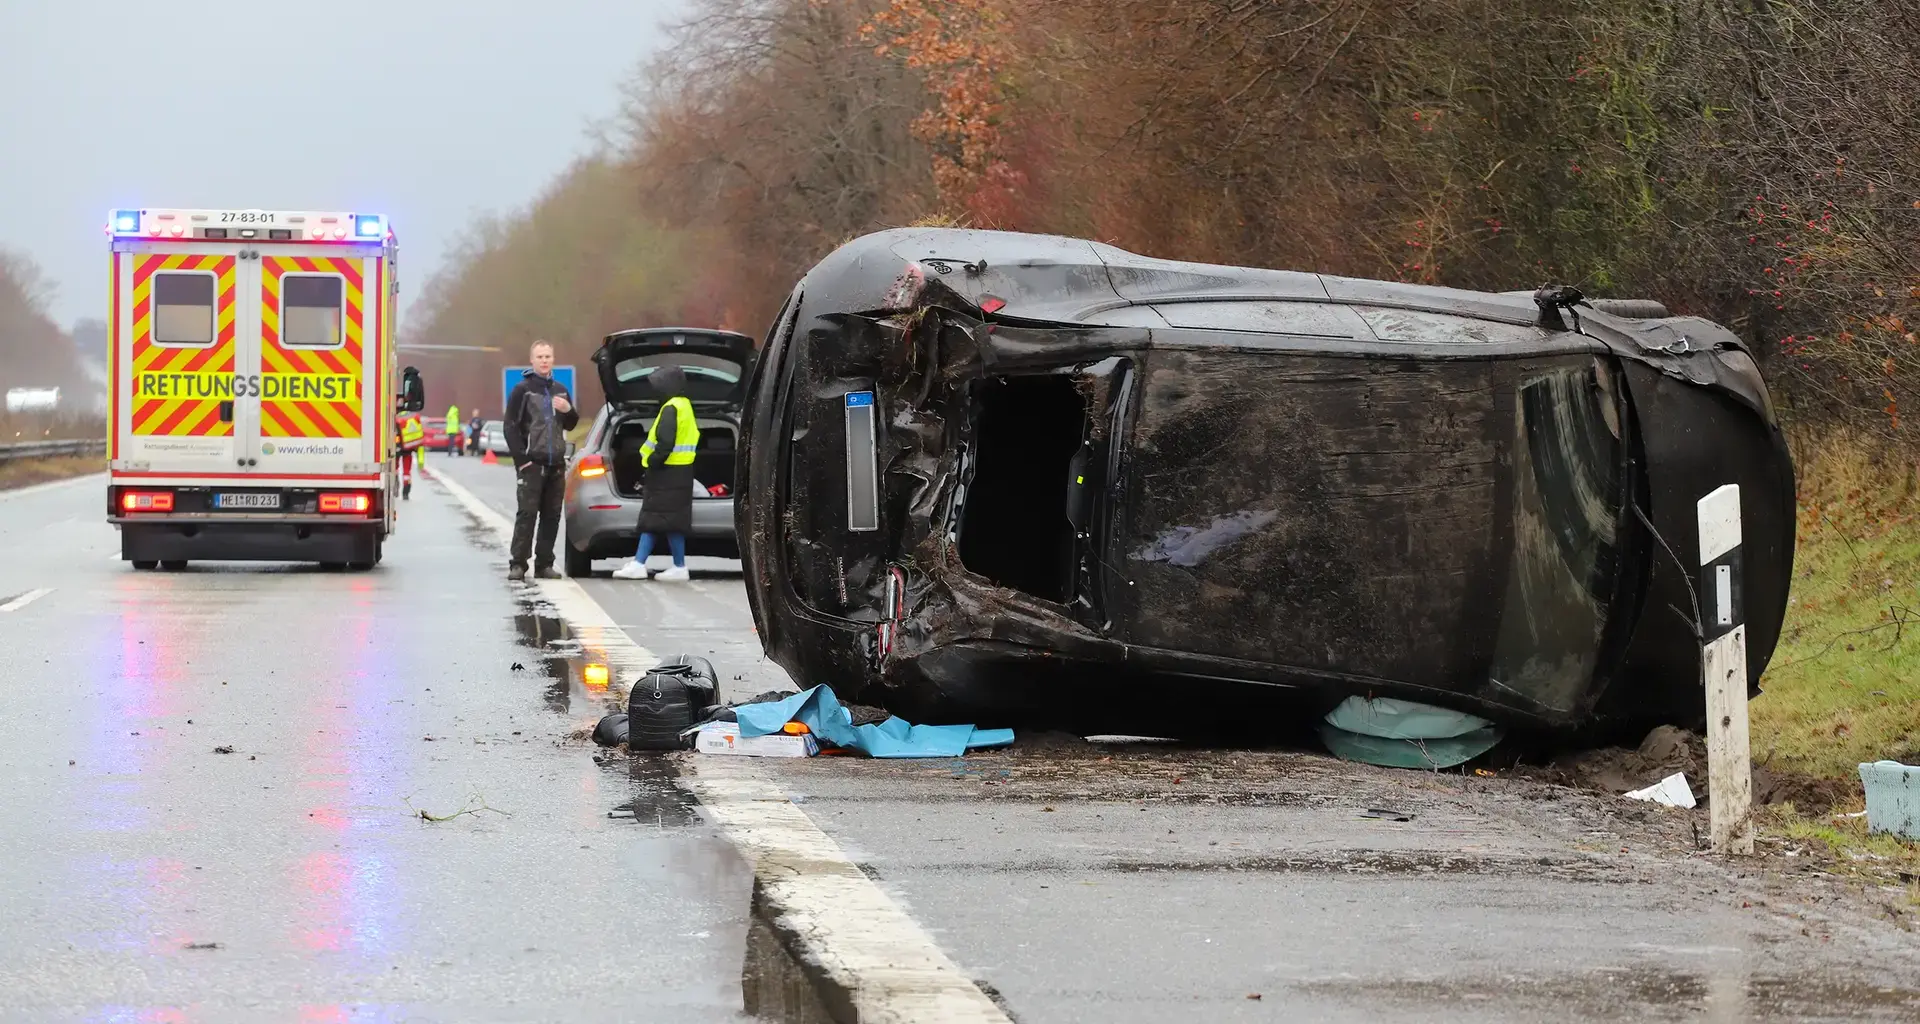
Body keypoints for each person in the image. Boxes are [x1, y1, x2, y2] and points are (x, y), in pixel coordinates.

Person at [612, 366, 697, 581]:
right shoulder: (685, 405)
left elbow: (665, 443)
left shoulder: (670, 408)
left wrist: (652, 461)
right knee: (672, 521)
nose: (655, 390)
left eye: (658, 385)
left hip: (666, 474)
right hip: (681, 473)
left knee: (652, 518)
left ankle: (639, 563)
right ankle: (679, 566)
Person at [503, 340, 578, 580]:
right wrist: (522, 461)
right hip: (532, 463)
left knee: (551, 516)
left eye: (548, 356)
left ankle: (544, 564)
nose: (544, 361)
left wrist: (568, 410)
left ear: (553, 359)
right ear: (532, 360)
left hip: (556, 463)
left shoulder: (561, 389)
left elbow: (571, 424)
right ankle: (518, 564)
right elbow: (510, 427)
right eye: (540, 357)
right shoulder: (522, 390)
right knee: (527, 514)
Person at [396, 408, 426, 500]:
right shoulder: (413, 418)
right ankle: (406, 492)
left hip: (397, 449)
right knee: (407, 472)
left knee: (394, 469)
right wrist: (421, 464)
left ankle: (395, 485)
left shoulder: (396, 419)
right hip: (409, 449)